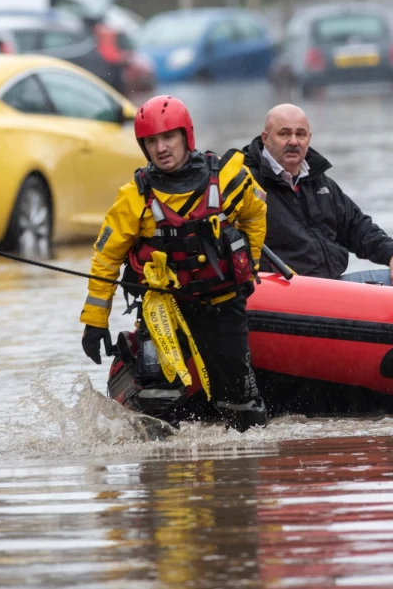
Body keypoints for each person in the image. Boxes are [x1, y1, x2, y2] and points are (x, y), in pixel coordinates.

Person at [80, 95, 269, 431]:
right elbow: (106, 258)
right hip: (164, 309)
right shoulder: (132, 197)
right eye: (151, 141)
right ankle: (162, 458)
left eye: (168, 137)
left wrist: (250, 267)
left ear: (186, 135)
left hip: (223, 303)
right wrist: (95, 322)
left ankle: (243, 456)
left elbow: (255, 214)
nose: (161, 148)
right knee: (157, 395)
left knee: (240, 400)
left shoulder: (229, 178)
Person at [241, 103, 393, 286]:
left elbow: (357, 226)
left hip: (329, 286)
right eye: (284, 134)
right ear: (266, 138)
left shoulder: (320, 182)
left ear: (309, 138)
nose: (293, 142)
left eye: (300, 134)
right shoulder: (245, 183)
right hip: (279, 289)